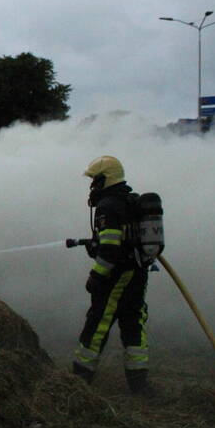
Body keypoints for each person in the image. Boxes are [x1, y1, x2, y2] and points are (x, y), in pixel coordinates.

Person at [72, 155, 152, 394]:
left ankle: (80, 379)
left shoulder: (108, 206)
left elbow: (110, 248)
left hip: (117, 276)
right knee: (133, 323)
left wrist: (96, 276)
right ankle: (139, 385)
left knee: (99, 321)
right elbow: (121, 240)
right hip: (137, 273)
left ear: (105, 179)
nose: (92, 186)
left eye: (94, 180)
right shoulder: (129, 201)